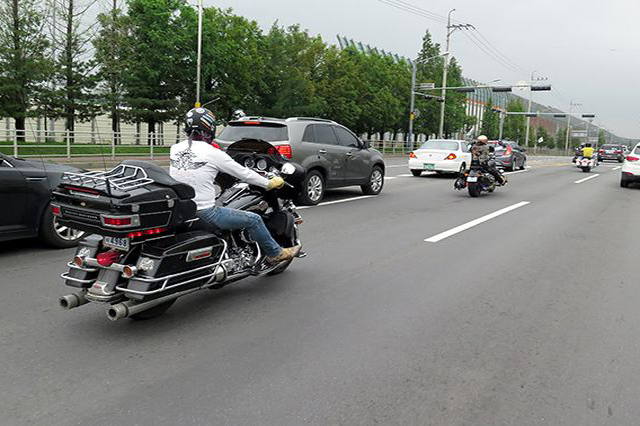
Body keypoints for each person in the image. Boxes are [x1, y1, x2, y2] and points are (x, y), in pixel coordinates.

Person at [170, 107, 301, 264]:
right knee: (254, 219)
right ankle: (275, 253)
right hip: (205, 212)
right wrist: (269, 183)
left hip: (182, 211)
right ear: (209, 127)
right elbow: (243, 173)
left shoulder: (175, 149)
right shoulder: (212, 152)